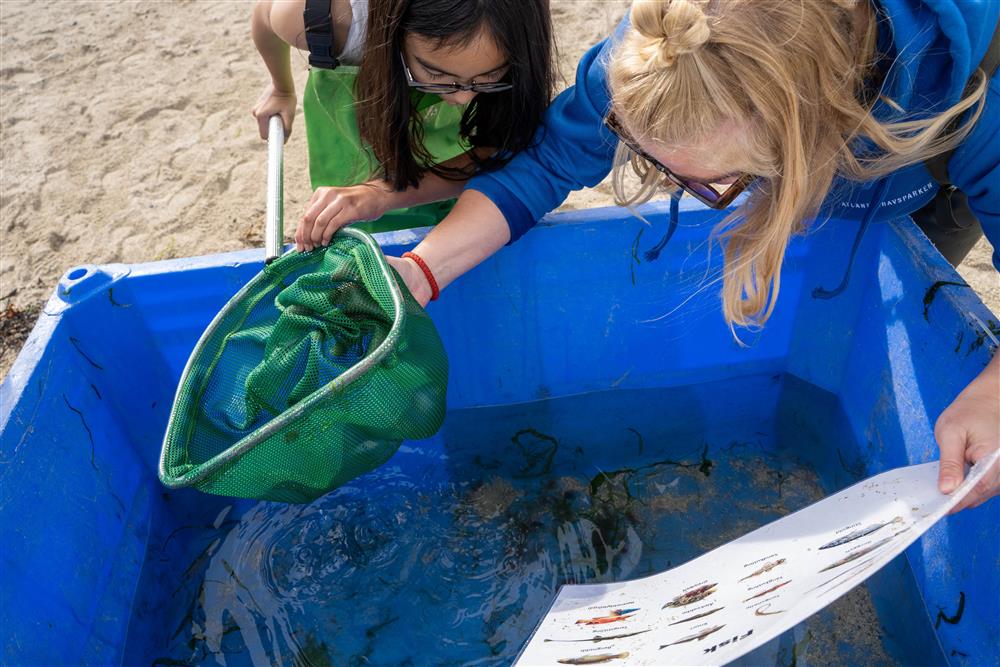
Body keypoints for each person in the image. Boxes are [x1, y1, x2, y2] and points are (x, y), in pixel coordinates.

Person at [389, 0, 1000, 512]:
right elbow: (547, 162)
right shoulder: (668, 49)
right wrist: (420, 269)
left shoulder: (969, 104)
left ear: (801, 131)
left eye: (715, 183)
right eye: (650, 158)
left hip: (925, 174)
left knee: (914, 261)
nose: (682, 192)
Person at [250, 0, 553, 248]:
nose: (462, 99)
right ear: (397, 26)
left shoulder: (519, 15)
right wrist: (281, 89)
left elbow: (504, 151)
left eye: (489, 75)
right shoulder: (330, 18)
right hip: (361, 119)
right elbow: (264, 15)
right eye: (436, 74)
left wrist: (383, 194)